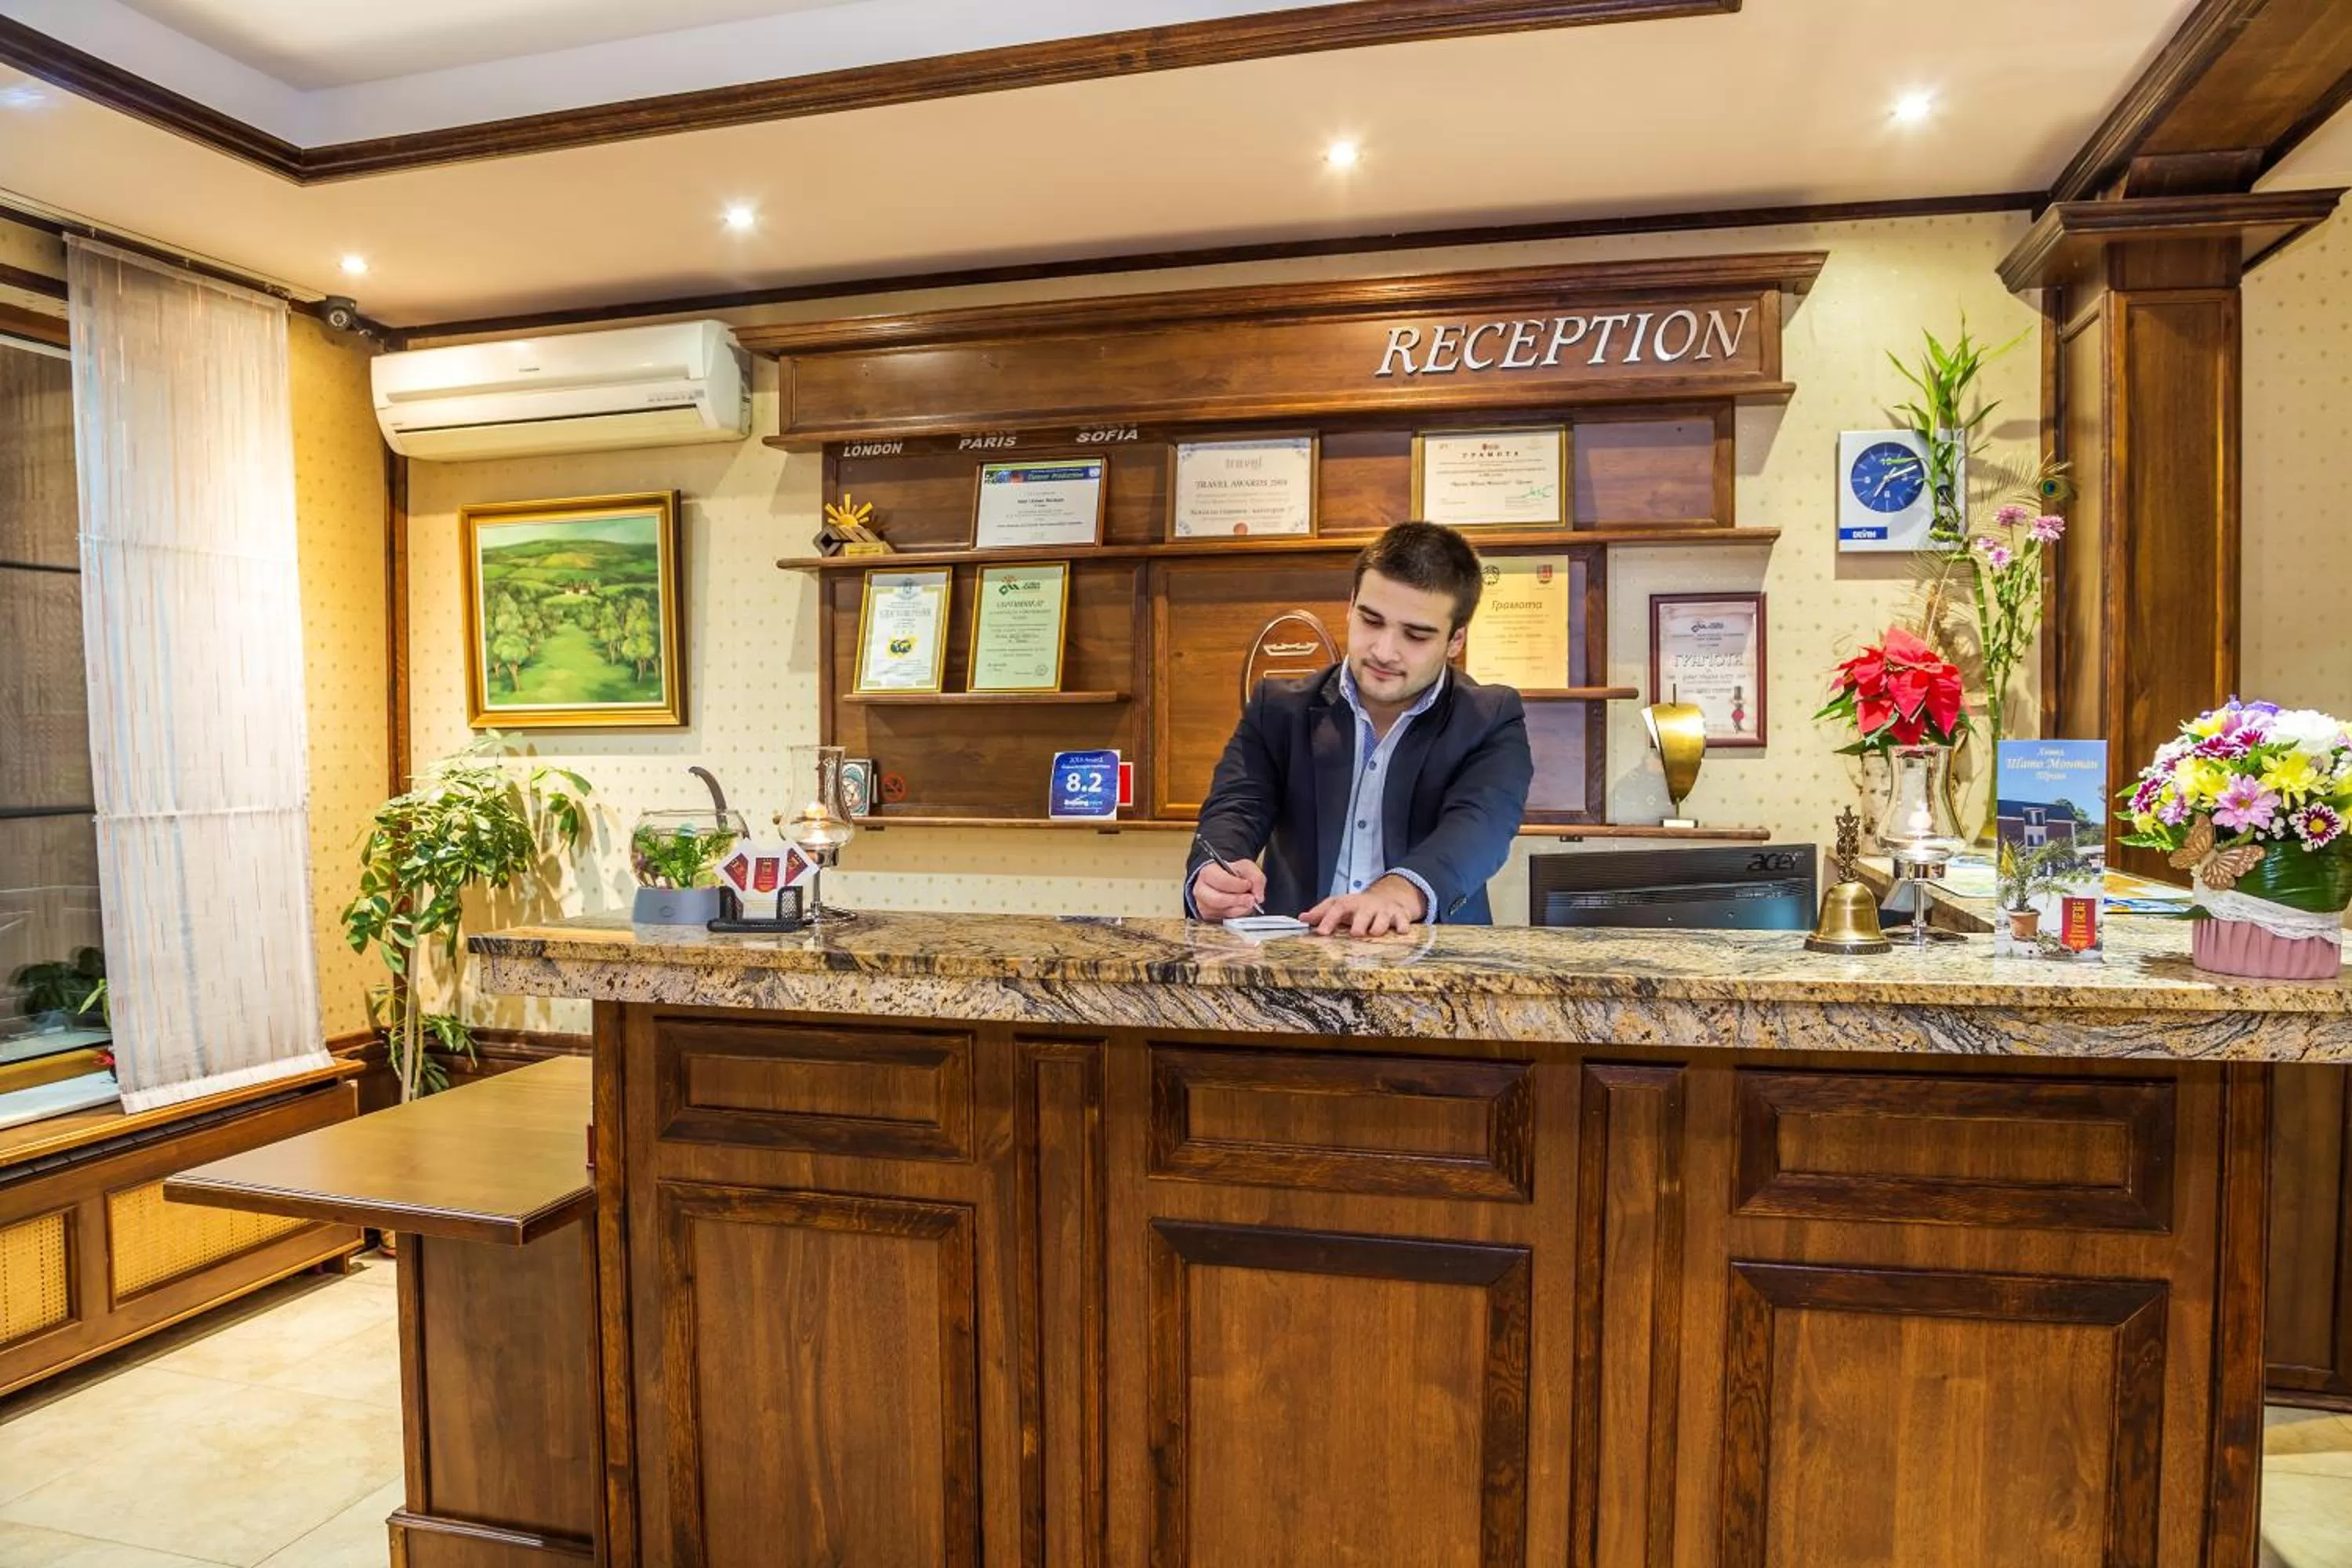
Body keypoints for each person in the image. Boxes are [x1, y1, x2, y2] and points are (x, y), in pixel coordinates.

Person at [1185, 521, 1534, 936]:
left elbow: (1480, 827)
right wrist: (1214, 872)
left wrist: (1397, 893)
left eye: (1416, 635)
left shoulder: (1490, 717)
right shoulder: (1279, 708)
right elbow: (1236, 807)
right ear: (1350, 606)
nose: (1384, 651)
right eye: (1371, 621)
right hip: (1296, 964)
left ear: (1455, 640)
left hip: (1432, 972)